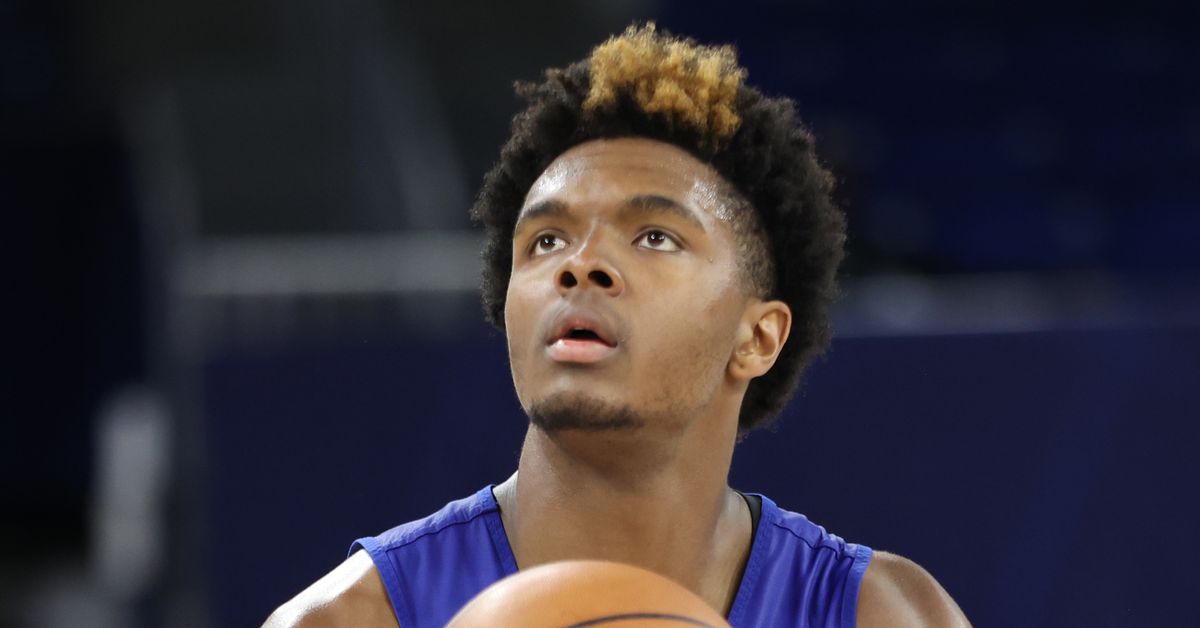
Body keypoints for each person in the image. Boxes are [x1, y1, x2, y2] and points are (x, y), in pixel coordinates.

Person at [265, 24, 970, 628]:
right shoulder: (353, 618)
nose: (580, 265)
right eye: (546, 241)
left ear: (758, 337)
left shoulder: (878, 614)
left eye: (654, 236)